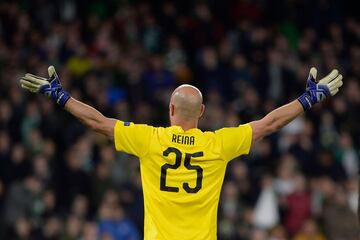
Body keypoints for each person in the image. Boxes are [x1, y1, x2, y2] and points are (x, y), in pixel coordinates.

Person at [20, 66, 343, 240]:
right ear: (201, 111)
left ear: (171, 108)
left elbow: (97, 123)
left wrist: (60, 96)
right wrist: (308, 99)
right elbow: (269, 124)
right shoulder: (218, 144)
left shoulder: (149, 140)